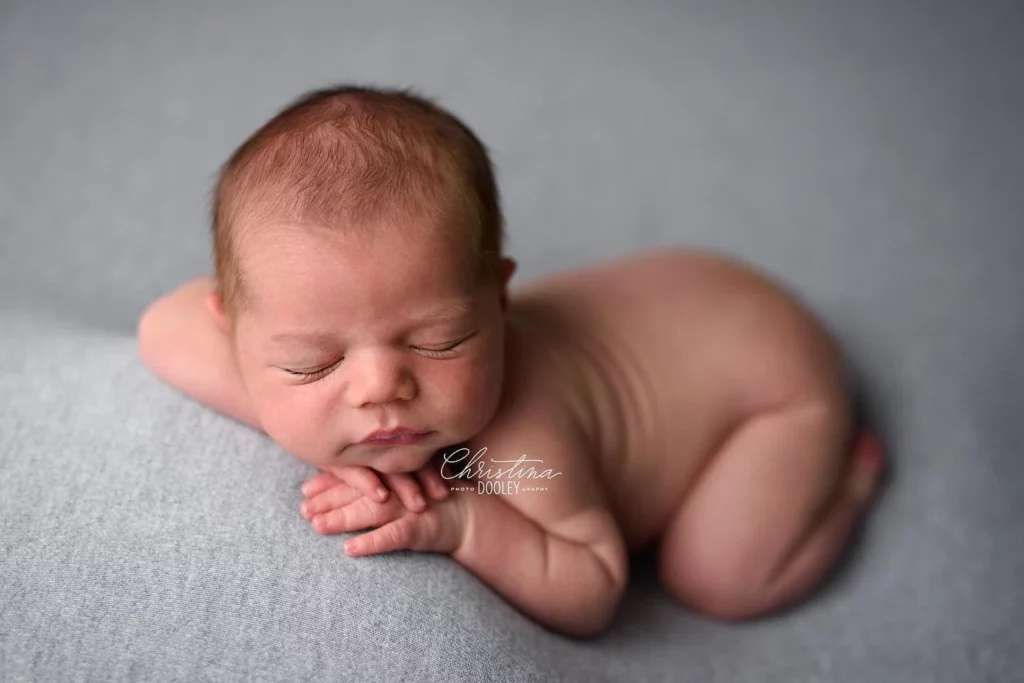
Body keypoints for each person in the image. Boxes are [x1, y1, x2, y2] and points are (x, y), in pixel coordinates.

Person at [137, 84, 885, 638]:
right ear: (234, 328)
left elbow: (593, 585)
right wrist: (292, 417)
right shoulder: (289, 324)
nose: (380, 389)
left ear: (498, 299)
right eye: (311, 363)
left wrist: (463, 520)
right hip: (685, 298)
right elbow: (161, 326)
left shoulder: (516, 445)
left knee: (719, 577)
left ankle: (846, 480)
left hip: (769, 381)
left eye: (438, 341)